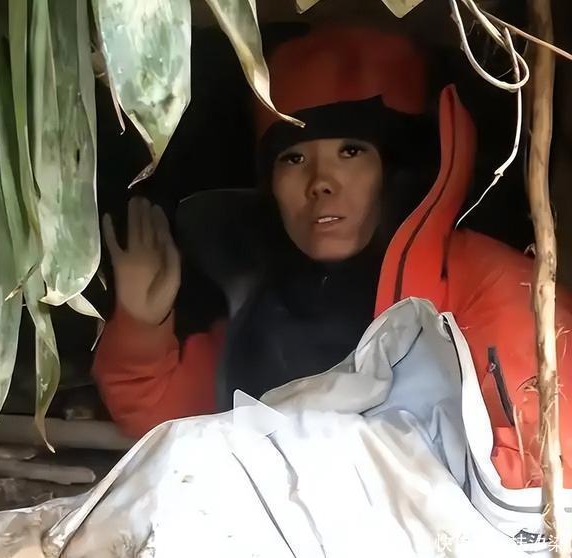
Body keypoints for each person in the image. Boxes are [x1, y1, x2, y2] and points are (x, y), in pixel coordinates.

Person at [94, 27, 572, 490]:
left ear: (394, 173)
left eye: (350, 151)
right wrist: (142, 324)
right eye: (293, 158)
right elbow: (166, 427)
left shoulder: (489, 285)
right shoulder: (268, 304)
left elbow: (551, 462)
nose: (321, 182)